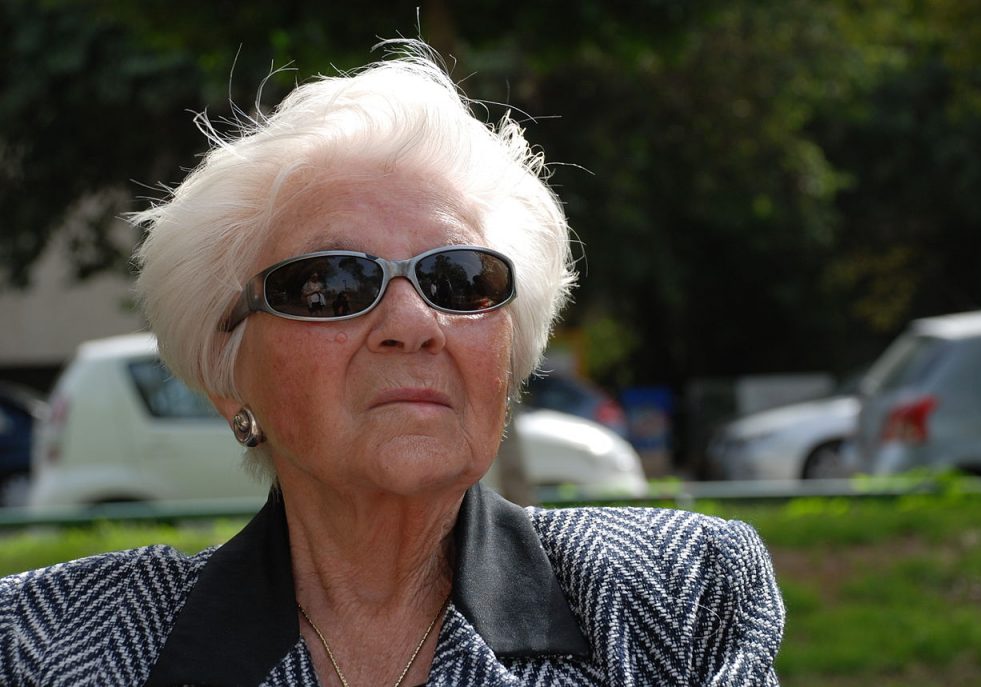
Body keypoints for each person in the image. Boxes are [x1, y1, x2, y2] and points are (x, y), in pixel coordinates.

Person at [0, 41, 784, 686]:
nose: (414, 323)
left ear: (505, 352)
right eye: (331, 282)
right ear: (227, 374)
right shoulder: (53, 644)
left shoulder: (679, 598)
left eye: (461, 280)